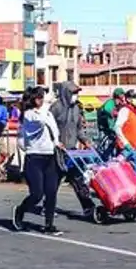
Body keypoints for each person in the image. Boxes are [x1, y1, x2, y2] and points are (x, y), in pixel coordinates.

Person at [12, 86, 63, 236]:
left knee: (51, 191)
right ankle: (20, 210)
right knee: (37, 194)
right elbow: (39, 124)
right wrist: (48, 106)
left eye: (43, 97)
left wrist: (56, 142)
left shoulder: (47, 113)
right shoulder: (29, 115)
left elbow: (54, 129)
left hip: (50, 156)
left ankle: (49, 225)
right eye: (39, 97)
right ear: (33, 99)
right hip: (35, 157)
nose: (42, 100)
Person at [50, 81, 94, 214]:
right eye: (73, 93)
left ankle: (88, 206)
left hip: (72, 151)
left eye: (77, 93)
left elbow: (79, 129)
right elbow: (48, 128)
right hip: (57, 151)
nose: (76, 95)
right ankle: (48, 207)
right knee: (54, 181)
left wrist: (85, 141)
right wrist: (55, 142)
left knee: (78, 179)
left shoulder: (76, 109)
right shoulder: (55, 108)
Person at [114, 94, 136, 184]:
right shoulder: (125, 110)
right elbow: (117, 127)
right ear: (129, 99)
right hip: (126, 147)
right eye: (135, 97)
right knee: (120, 170)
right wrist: (125, 143)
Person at [97, 88, 127, 160]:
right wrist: (118, 113)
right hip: (106, 129)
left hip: (114, 130)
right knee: (108, 147)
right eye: (119, 98)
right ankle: (104, 159)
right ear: (116, 97)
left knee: (117, 145)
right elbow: (110, 111)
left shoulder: (120, 104)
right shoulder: (110, 103)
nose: (121, 100)